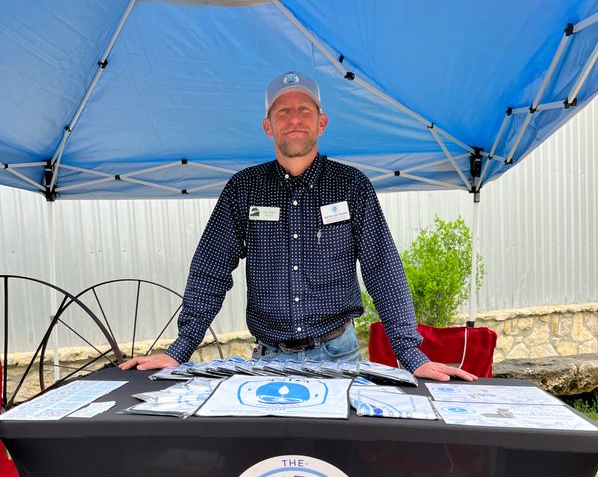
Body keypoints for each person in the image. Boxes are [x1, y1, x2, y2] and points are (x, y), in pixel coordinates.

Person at [121, 71, 476, 382]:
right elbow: (209, 270)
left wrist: (412, 357)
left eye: (304, 110)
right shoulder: (243, 189)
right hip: (268, 361)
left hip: (339, 359)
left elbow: (382, 270)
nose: (294, 119)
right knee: (272, 459)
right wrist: (180, 349)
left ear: (321, 122)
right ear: (268, 125)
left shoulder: (351, 186)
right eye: (283, 111)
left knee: (337, 457)